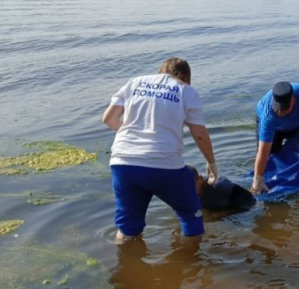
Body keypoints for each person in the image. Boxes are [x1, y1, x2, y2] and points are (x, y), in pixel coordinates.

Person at [102, 57, 217, 248]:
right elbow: (200, 136)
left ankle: (127, 267)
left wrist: (134, 136)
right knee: (190, 215)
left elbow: (108, 119)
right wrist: (212, 164)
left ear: (160, 72)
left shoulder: (135, 82)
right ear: (187, 78)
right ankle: (190, 267)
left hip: (123, 163)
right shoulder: (186, 90)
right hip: (163, 164)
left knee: (128, 227)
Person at [187, 165, 256, 212]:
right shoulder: (179, 192)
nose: (186, 190)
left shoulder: (219, 186)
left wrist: (221, 214)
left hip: (237, 201)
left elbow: (249, 199)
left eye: (190, 184)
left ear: (200, 179)